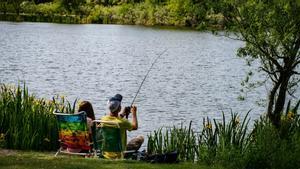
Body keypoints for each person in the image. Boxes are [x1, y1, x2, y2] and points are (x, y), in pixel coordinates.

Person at [101, 94, 144, 159]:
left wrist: (122, 114)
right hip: (120, 153)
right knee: (140, 138)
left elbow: (115, 119)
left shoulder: (103, 119)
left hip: (106, 152)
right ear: (119, 108)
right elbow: (135, 126)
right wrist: (134, 113)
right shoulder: (122, 122)